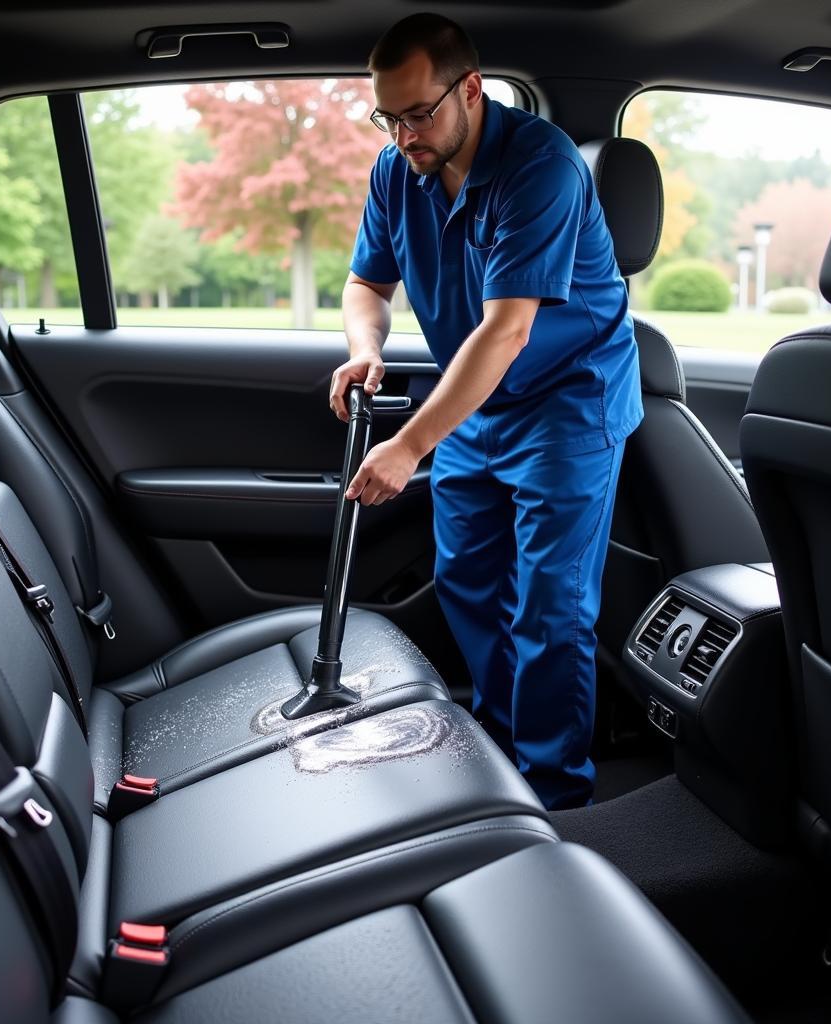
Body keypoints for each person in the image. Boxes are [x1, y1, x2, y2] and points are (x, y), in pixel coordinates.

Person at [330, 12, 642, 810]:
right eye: (388, 116)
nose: (404, 135)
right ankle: (502, 757)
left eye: (420, 112)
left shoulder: (541, 167)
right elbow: (366, 284)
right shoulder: (397, 169)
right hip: (475, 402)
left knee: (549, 607)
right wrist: (366, 346)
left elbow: (505, 332)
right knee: (466, 581)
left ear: (470, 88)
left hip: (566, 400)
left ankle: (556, 797)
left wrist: (406, 446)